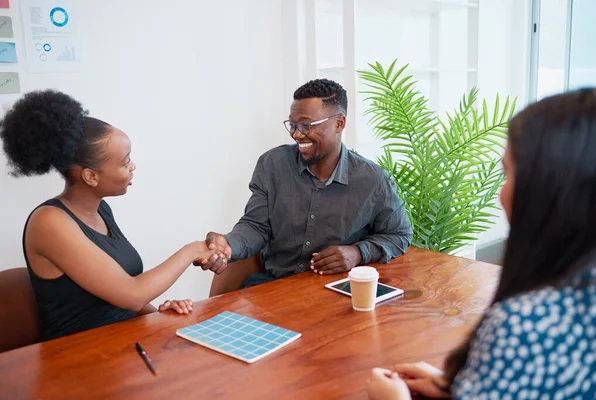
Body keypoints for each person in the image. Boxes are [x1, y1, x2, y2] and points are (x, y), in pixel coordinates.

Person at [366, 89, 596, 399]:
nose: (501, 192)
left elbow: (399, 235)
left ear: (546, 187)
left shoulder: (522, 328)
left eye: (508, 172)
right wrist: (463, 387)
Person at [0, 90, 218, 341]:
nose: (133, 167)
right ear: (91, 176)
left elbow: (118, 295)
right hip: (78, 358)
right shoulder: (49, 222)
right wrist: (192, 250)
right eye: (125, 162)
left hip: (122, 344)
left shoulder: (101, 210)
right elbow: (132, 293)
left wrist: (155, 313)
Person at [199, 79, 412, 287]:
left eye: (306, 125)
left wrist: (358, 253)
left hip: (331, 295)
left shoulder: (373, 180)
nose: (296, 134)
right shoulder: (272, 165)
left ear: (340, 123)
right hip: (272, 286)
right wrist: (228, 244)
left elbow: (399, 234)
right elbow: (256, 225)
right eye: (292, 125)